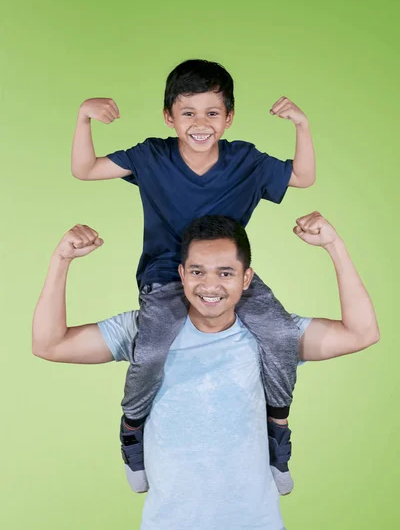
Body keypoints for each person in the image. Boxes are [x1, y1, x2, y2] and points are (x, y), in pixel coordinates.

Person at [32, 212, 379, 530]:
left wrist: (335, 246)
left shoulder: (274, 336)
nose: (209, 286)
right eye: (197, 271)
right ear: (182, 274)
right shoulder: (144, 331)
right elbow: (50, 345)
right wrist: (60, 260)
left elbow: (362, 333)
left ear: (246, 279)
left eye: (225, 273)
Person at [70, 59, 316, 495]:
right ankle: (132, 431)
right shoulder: (152, 156)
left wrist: (301, 123)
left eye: (212, 113)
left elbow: (302, 176)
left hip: (226, 276)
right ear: (169, 117)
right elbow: (85, 169)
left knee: (279, 333)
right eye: (188, 113)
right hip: (166, 275)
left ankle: (277, 432)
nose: (200, 124)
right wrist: (84, 116)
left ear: (229, 117)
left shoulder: (246, 161)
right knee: (152, 345)